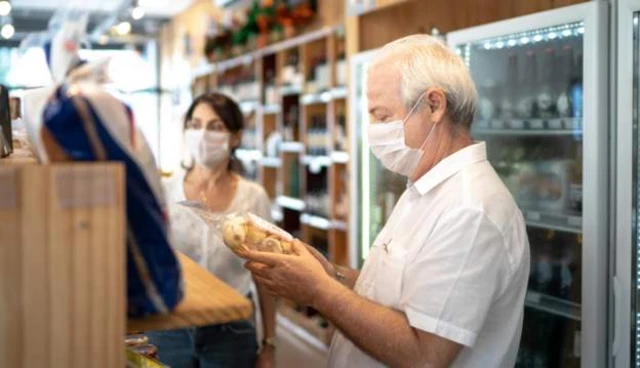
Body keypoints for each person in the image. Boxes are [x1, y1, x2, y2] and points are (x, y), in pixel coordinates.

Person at [243, 34, 530, 368]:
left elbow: (423, 355)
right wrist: (330, 274)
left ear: (434, 105)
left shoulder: (470, 210)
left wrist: (318, 291)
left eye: (383, 117)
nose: (373, 131)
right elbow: (397, 297)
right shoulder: (425, 186)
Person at [148, 92, 276, 368]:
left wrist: (269, 344)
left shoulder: (253, 197)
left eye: (215, 127)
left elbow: (266, 277)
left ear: (236, 137)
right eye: (195, 125)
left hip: (231, 331)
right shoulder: (163, 191)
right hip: (171, 326)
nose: (202, 134)